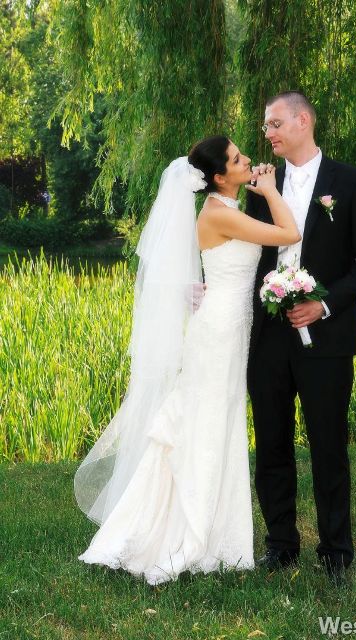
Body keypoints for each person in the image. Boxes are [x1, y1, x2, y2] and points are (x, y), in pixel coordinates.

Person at [74, 135, 300, 586]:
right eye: (237, 159)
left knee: (217, 422)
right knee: (206, 425)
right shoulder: (218, 213)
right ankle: (191, 533)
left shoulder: (226, 208)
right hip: (218, 334)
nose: (247, 160)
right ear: (219, 176)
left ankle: (219, 533)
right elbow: (289, 234)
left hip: (229, 328)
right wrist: (272, 191)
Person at [246, 91, 356, 582]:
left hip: (327, 338)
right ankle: (280, 545)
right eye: (266, 126)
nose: (268, 133)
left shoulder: (350, 182)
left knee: (329, 446)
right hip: (268, 337)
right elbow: (250, 254)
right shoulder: (261, 186)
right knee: (271, 442)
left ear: (303, 120)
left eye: (275, 123)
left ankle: (336, 554)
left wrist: (323, 305)